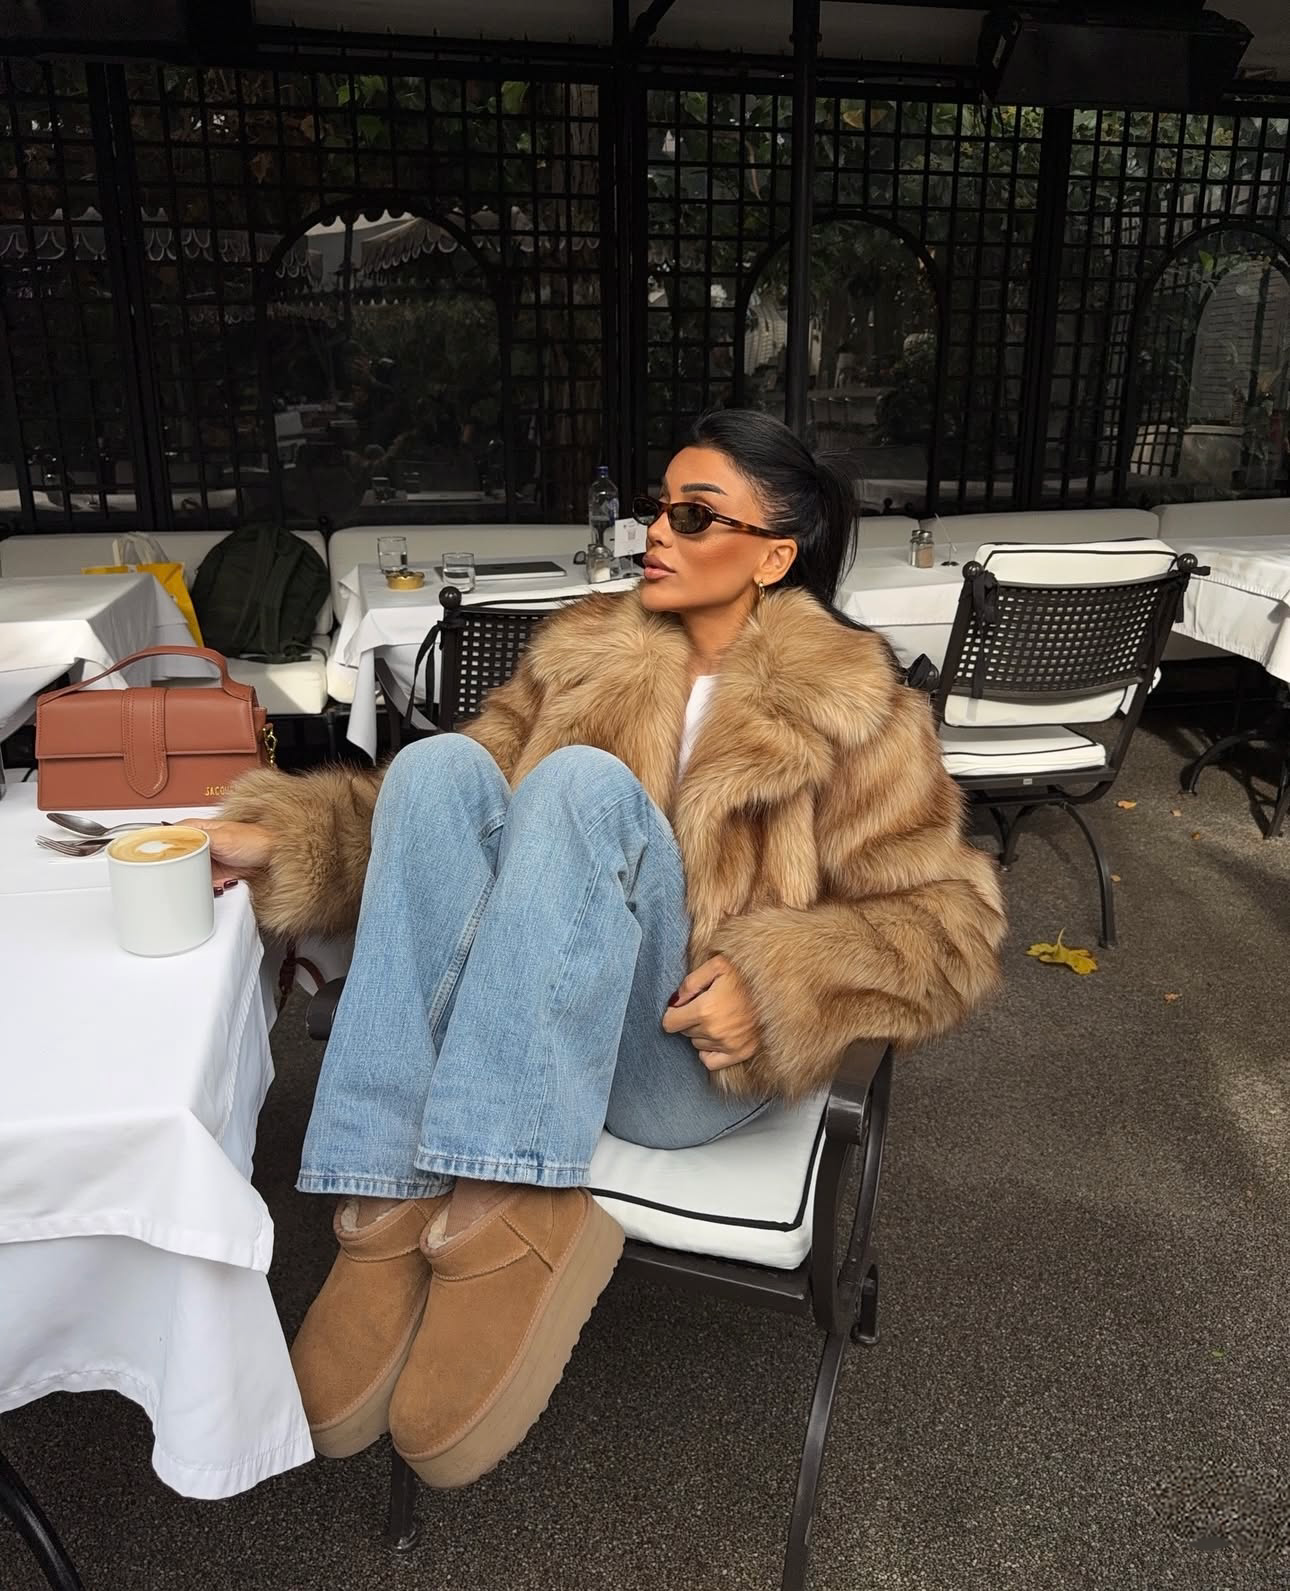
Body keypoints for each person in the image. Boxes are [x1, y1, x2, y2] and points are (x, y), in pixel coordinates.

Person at [194, 408, 1006, 1493]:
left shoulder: (863, 714)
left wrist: (781, 980)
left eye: (694, 514)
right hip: (533, 1014)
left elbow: (953, 926)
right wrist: (289, 841)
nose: (654, 531)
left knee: (581, 786)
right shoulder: (583, 654)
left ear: (773, 555)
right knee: (436, 770)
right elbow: (444, 826)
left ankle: (509, 1204)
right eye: (657, 508)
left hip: (678, 1060)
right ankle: (386, 1203)